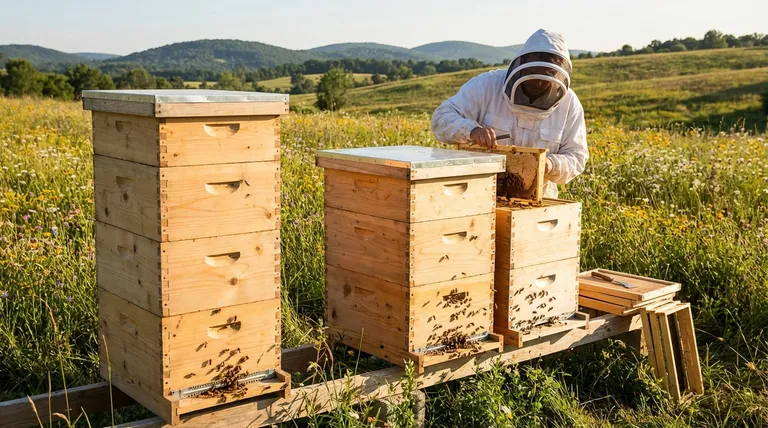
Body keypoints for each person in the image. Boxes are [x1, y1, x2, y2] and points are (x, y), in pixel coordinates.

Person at [431, 29, 589, 199]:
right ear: (522, 62)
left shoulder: (569, 103)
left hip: (539, 200)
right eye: (534, 72)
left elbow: (577, 156)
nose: (539, 81)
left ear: (558, 72)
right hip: (479, 196)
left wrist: (549, 165)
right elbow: (441, 117)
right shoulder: (487, 85)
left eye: (547, 74)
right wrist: (472, 130)